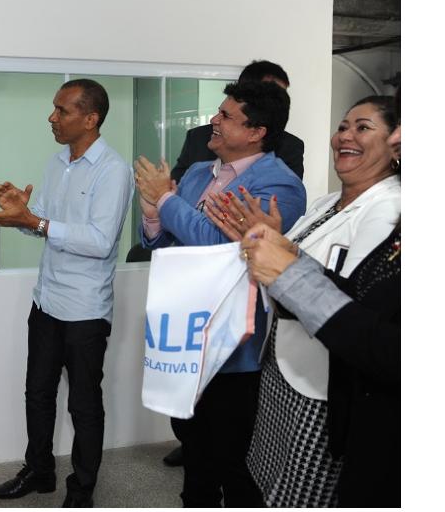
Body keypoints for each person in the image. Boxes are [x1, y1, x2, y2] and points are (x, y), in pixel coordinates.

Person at [211, 95, 400, 506]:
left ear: (395, 144)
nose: (345, 136)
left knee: (297, 494)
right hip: (282, 368)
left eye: (363, 128)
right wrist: (269, 243)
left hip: (321, 386)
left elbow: (349, 302)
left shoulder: (389, 209)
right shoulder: (327, 203)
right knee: (263, 479)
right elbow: (287, 271)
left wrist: (283, 260)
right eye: (343, 126)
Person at [135, 80, 306, 507]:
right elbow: (167, 240)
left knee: (235, 459)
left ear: (257, 132)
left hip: (236, 345)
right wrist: (153, 216)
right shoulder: (197, 173)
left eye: (227, 115)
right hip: (188, 335)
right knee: (193, 447)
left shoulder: (279, 185)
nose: (214, 119)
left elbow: (220, 245)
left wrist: (167, 201)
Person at [0, 79, 133, 508]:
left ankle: (81, 491)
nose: (52, 117)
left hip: (85, 308)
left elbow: (100, 241)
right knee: (37, 393)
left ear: (90, 119)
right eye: (54, 108)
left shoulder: (113, 170)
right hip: (47, 299)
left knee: (84, 406)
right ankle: (39, 471)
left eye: (62, 110)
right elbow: (45, 225)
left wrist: (36, 222)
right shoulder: (57, 163)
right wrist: (21, 213)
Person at [170, 60, 305, 183]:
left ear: (257, 133)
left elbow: (281, 195)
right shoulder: (198, 138)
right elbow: (176, 188)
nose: (278, 101)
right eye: (270, 93)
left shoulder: (290, 147)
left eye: (281, 95)